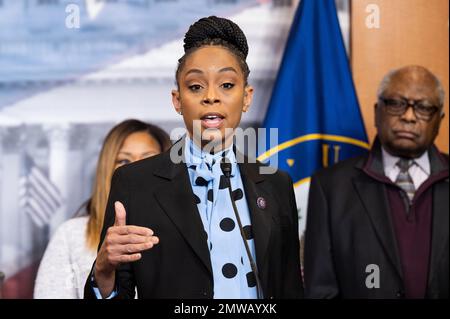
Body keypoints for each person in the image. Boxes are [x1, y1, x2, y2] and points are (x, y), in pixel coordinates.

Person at [84, 16, 304, 299]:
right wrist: (103, 269)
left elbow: (290, 290)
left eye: (226, 85)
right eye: (196, 86)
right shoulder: (135, 183)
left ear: (247, 97)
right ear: (177, 101)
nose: (211, 96)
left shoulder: (276, 184)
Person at [304, 65, 448, 299]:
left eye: (423, 108)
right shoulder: (330, 187)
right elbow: (321, 290)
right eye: (396, 104)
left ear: (439, 120)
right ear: (376, 111)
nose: (408, 116)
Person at [34, 119, 171, 298]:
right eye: (123, 160)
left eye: (148, 160)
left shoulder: (190, 231)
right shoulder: (71, 235)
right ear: (108, 168)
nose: (135, 169)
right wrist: (102, 269)